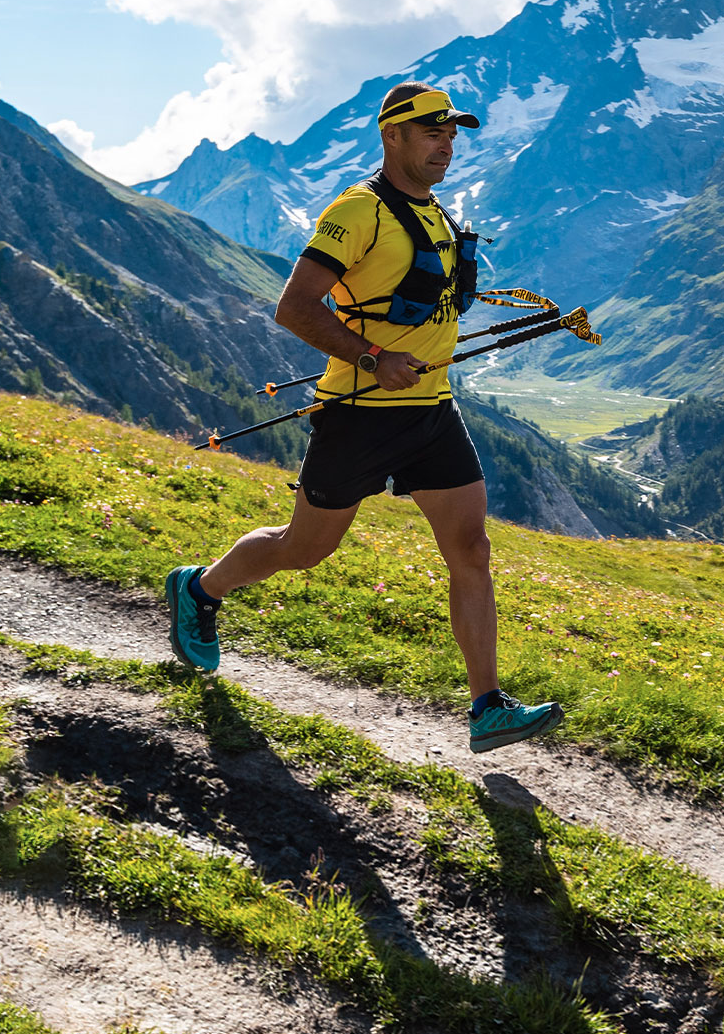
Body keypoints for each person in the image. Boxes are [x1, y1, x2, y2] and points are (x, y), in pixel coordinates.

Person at [165, 82, 562, 754]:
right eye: (432, 131)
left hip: (433, 411)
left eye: (453, 132)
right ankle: (200, 590)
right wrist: (373, 356)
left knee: (471, 550)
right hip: (360, 415)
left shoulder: (435, 212)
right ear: (393, 137)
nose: (447, 143)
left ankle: (487, 707)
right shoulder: (358, 212)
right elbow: (294, 307)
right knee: (304, 549)